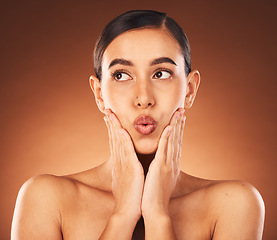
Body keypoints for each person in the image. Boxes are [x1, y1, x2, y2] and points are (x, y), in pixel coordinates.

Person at [11, 10, 265, 240]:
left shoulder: (234, 204)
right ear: (99, 94)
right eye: (121, 75)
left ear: (189, 90)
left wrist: (157, 214)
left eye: (161, 73)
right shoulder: (46, 199)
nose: (143, 98)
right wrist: (123, 214)